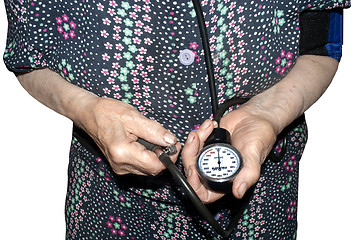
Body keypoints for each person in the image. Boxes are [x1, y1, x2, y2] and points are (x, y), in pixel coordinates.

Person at [3, 0, 350, 239]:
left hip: (260, 203)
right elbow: (27, 56)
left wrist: (269, 114)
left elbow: (322, 47)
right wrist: (86, 110)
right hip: (111, 205)